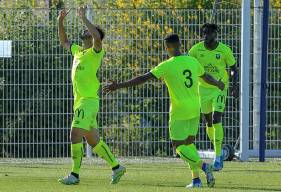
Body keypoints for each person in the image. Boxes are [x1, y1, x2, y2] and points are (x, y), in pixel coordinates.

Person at [104, 33, 225, 188]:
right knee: (189, 144)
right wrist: (217, 84)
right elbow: (206, 77)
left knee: (178, 147)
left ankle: (204, 167)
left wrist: (118, 85)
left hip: (180, 111)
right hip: (196, 108)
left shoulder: (167, 65)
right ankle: (196, 180)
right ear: (180, 45)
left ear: (167, 48)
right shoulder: (192, 61)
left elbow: (143, 78)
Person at [57, 7, 126, 185]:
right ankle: (117, 167)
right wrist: (60, 21)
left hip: (87, 102)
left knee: (74, 135)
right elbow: (64, 41)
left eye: (89, 30)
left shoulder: (96, 51)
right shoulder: (78, 51)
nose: (85, 31)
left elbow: (97, 37)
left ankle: (75, 175)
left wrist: (84, 19)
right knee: (93, 140)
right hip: (82, 102)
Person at [189, 23, 238, 171]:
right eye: (204, 33)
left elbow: (233, 69)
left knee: (217, 119)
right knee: (208, 123)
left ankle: (217, 157)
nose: (206, 36)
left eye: (209, 33)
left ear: (215, 34)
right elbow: (189, 66)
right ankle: (218, 148)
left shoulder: (224, 50)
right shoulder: (196, 50)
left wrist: (234, 85)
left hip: (220, 88)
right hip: (202, 89)